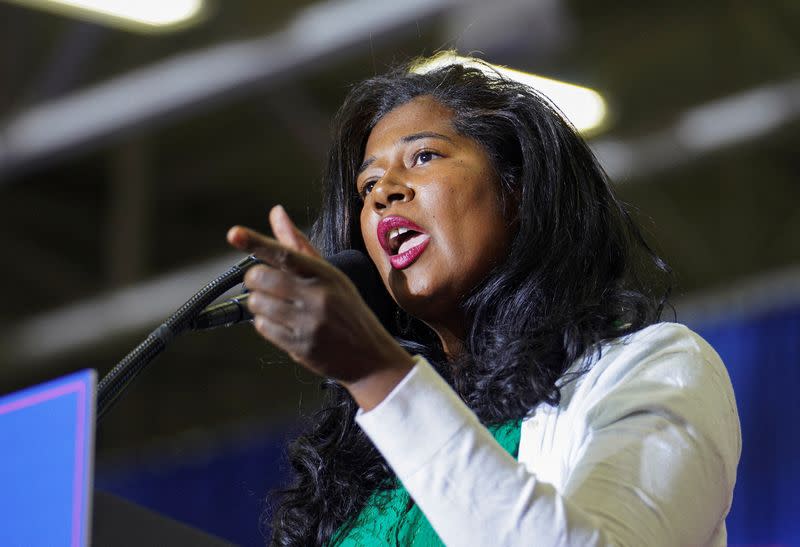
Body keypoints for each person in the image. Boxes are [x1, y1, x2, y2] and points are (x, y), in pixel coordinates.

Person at [226, 54, 741, 546]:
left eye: (423, 156)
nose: (384, 193)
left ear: (516, 189)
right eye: (369, 185)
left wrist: (373, 372)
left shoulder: (656, 368)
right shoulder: (362, 468)